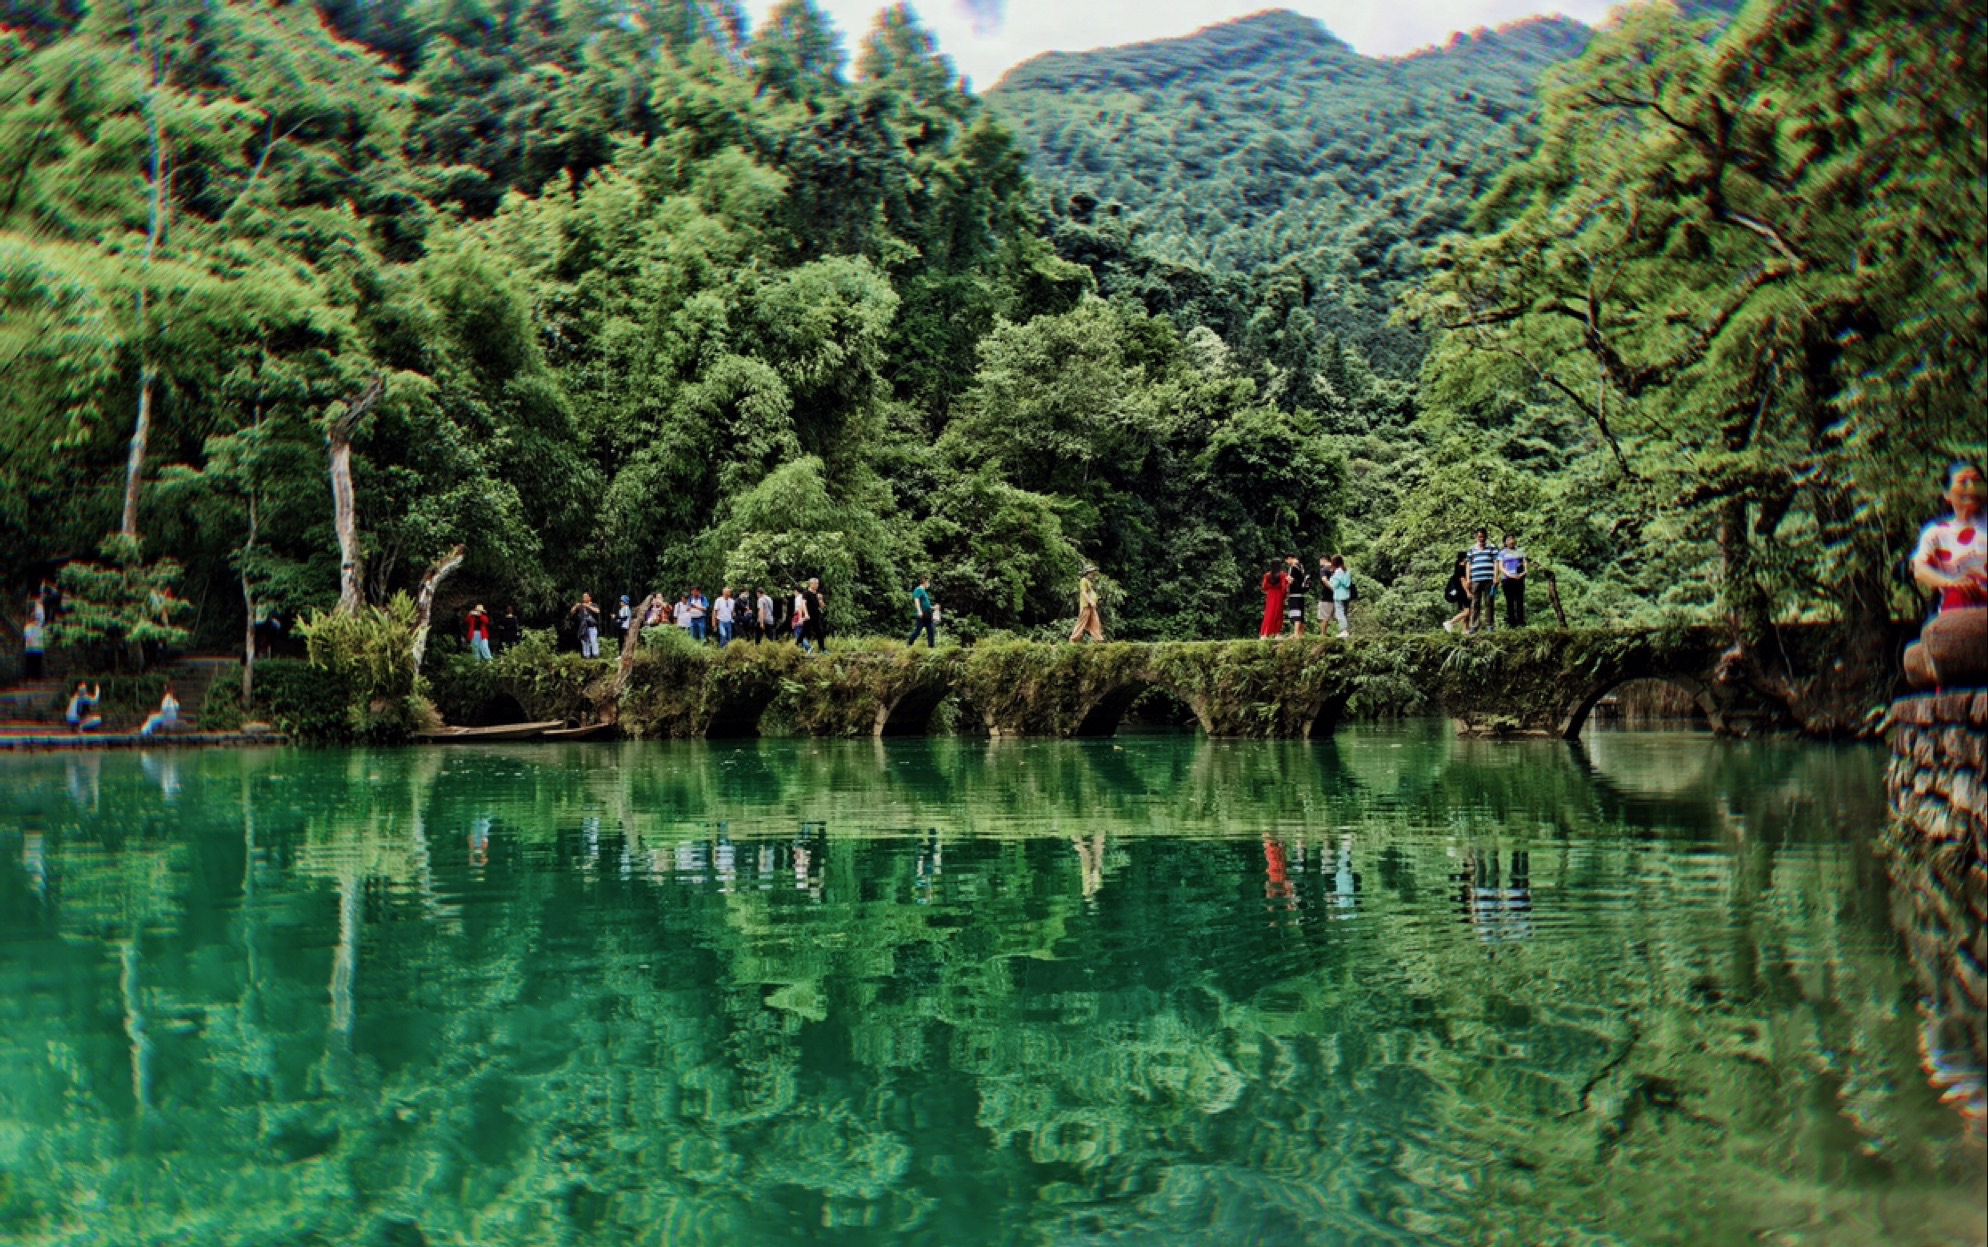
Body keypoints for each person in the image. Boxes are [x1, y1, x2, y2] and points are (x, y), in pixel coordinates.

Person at [1905, 462, 1988, 689]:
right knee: (1957, 594)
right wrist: (1951, 583)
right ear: (1947, 495)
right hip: (1957, 606)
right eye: (1963, 482)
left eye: (1977, 481)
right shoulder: (1937, 533)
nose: (1972, 487)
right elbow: (1920, 569)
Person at [1466, 529, 1499, 634]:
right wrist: (1468, 579)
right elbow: (1468, 564)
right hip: (1476, 579)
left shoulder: (1492, 548)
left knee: (1489, 602)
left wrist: (1495, 576)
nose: (1481, 539)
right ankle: (1474, 626)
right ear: (1476, 537)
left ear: (1486, 537)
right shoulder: (1472, 549)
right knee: (1475, 603)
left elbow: (1496, 562)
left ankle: (1489, 625)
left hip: (1489, 578)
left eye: (1483, 536)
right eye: (1479, 537)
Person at [1498, 534, 1528, 628]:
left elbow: (1525, 564)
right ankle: (1512, 623)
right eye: (1508, 540)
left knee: (1519, 601)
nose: (1511, 541)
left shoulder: (1520, 551)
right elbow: (1500, 566)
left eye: (1512, 539)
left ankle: (1521, 622)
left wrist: (1523, 573)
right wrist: (1509, 575)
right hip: (1507, 580)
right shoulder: (1502, 553)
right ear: (1505, 542)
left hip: (1519, 579)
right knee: (1509, 602)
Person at [1071, 565, 1104, 643]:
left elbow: (1090, 593)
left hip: (1091, 607)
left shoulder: (1089, 582)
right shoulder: (1083, 580)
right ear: (1087, 573)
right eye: (1091, 573)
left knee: (1095, 622)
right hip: (1086, 605)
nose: (1093, 574)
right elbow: (1083, 592)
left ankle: (1098, 639)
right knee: (1081, 623)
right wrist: (1091, 601)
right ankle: (1073, 640)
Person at [1441, 552, 1472, 633]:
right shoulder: (1461, 568)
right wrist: (1468, 592)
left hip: (1462, 593)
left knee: (1467, 612)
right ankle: (1450, 622)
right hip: (1463, 593)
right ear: (1464, 559)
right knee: (1467, 611)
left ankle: (1466, 630)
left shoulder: (1461, 568)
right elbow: (1463, 581)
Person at [1259, 559, 1289, 638]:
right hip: (1279, 595)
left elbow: (1264, 587)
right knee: (1278, 614)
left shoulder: (1267, 575)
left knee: (1268, 613)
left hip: (1270, 594)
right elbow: (1284, 587)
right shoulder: (1283, 575)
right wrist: (1285, 596)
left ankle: (1265, 633)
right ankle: (1277, 634)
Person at [569, 593, 603, 658]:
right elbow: (572, 612)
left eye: (585, 596)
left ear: (589, 598)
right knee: (585, 642)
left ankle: (596, 655)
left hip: (592, 626)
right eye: (583, 597)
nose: (584, 598)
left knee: (593, 641)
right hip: (583, 627)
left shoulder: (593, 604)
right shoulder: (581, 606)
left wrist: (588, 606)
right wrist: (576, 606)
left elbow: (597, 611)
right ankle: (586, 656)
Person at [1327, 555, 1353, 638]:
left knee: (1340, 613)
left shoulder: (1338, 571)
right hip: (1346, 594)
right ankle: (1345, 631)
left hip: (1339, 595)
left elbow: (1335, 584)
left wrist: (1331, 578)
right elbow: (1347, 583)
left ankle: (1344, 631)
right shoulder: (1347, 571)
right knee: (1344, 613)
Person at [908, 575, 937, 648]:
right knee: (918, 631)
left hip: (928, 614)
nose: (928, 584)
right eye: (928, 582)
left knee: (931, 630)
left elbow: (926, 604)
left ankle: (931, 647)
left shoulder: (924, 592)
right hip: (922, 614)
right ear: (925, 582)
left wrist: (933, 607)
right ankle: (909, 644)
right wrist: (919, 611)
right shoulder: (918, 589)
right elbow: (916, 600)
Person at [1283, 555, 1307, 637]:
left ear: (1289, 558)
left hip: (1294, 594)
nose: (1287, 563)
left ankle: (1296, 633)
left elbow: (1290, 580)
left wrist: (1286, 581)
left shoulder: (1292, 567)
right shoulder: (1301, 566)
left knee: (1295, 613)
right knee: (1301, 614)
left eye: (1286, 561)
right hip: (1301, 593)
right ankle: (1301, 634)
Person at [802, 578, 828, 652]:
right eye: (816, 583)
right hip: (808, 616)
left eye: (818, 583)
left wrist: (820, 599)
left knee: (820, 631)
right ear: (811, 584)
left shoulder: (817, 594)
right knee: (805, 633)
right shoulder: (806, 593)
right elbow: (803, 604)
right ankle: (804, 648)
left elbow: (822, 606)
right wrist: (806, 614)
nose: (817, 585)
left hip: (816, 616)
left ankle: (822, 649)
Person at [22, 597, 45, 680]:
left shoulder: (39, 628)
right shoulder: (28, 627)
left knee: (37, 664)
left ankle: (37, 677)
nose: (36, 620)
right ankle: (29, 677)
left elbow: (42, 638)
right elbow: (27, 637)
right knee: (30, 664)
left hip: (38, 649)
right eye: (35, 619)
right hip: (31, 649)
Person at [791, 586, 812, 651]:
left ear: (797, 591)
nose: (794, 593)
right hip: (803, 616)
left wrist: (800, 618)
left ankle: (808, 646)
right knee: (800, 632)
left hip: (798, 616)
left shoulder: (798, 598)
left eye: (794, 591)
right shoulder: (804, 597)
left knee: (798, 633)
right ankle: (805, 648)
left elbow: (799, 608)